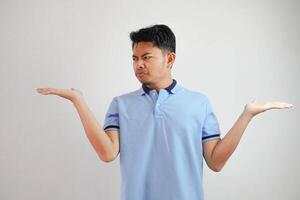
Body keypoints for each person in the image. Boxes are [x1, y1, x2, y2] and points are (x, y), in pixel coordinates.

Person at [36, 24, 293, 200]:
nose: (138, 65)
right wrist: (77, 101)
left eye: (146, 57)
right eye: (134, 58)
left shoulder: (198, 103)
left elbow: (215, 161)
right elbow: (107, 153)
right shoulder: (121, 104)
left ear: (170, 59)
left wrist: (247, 115)